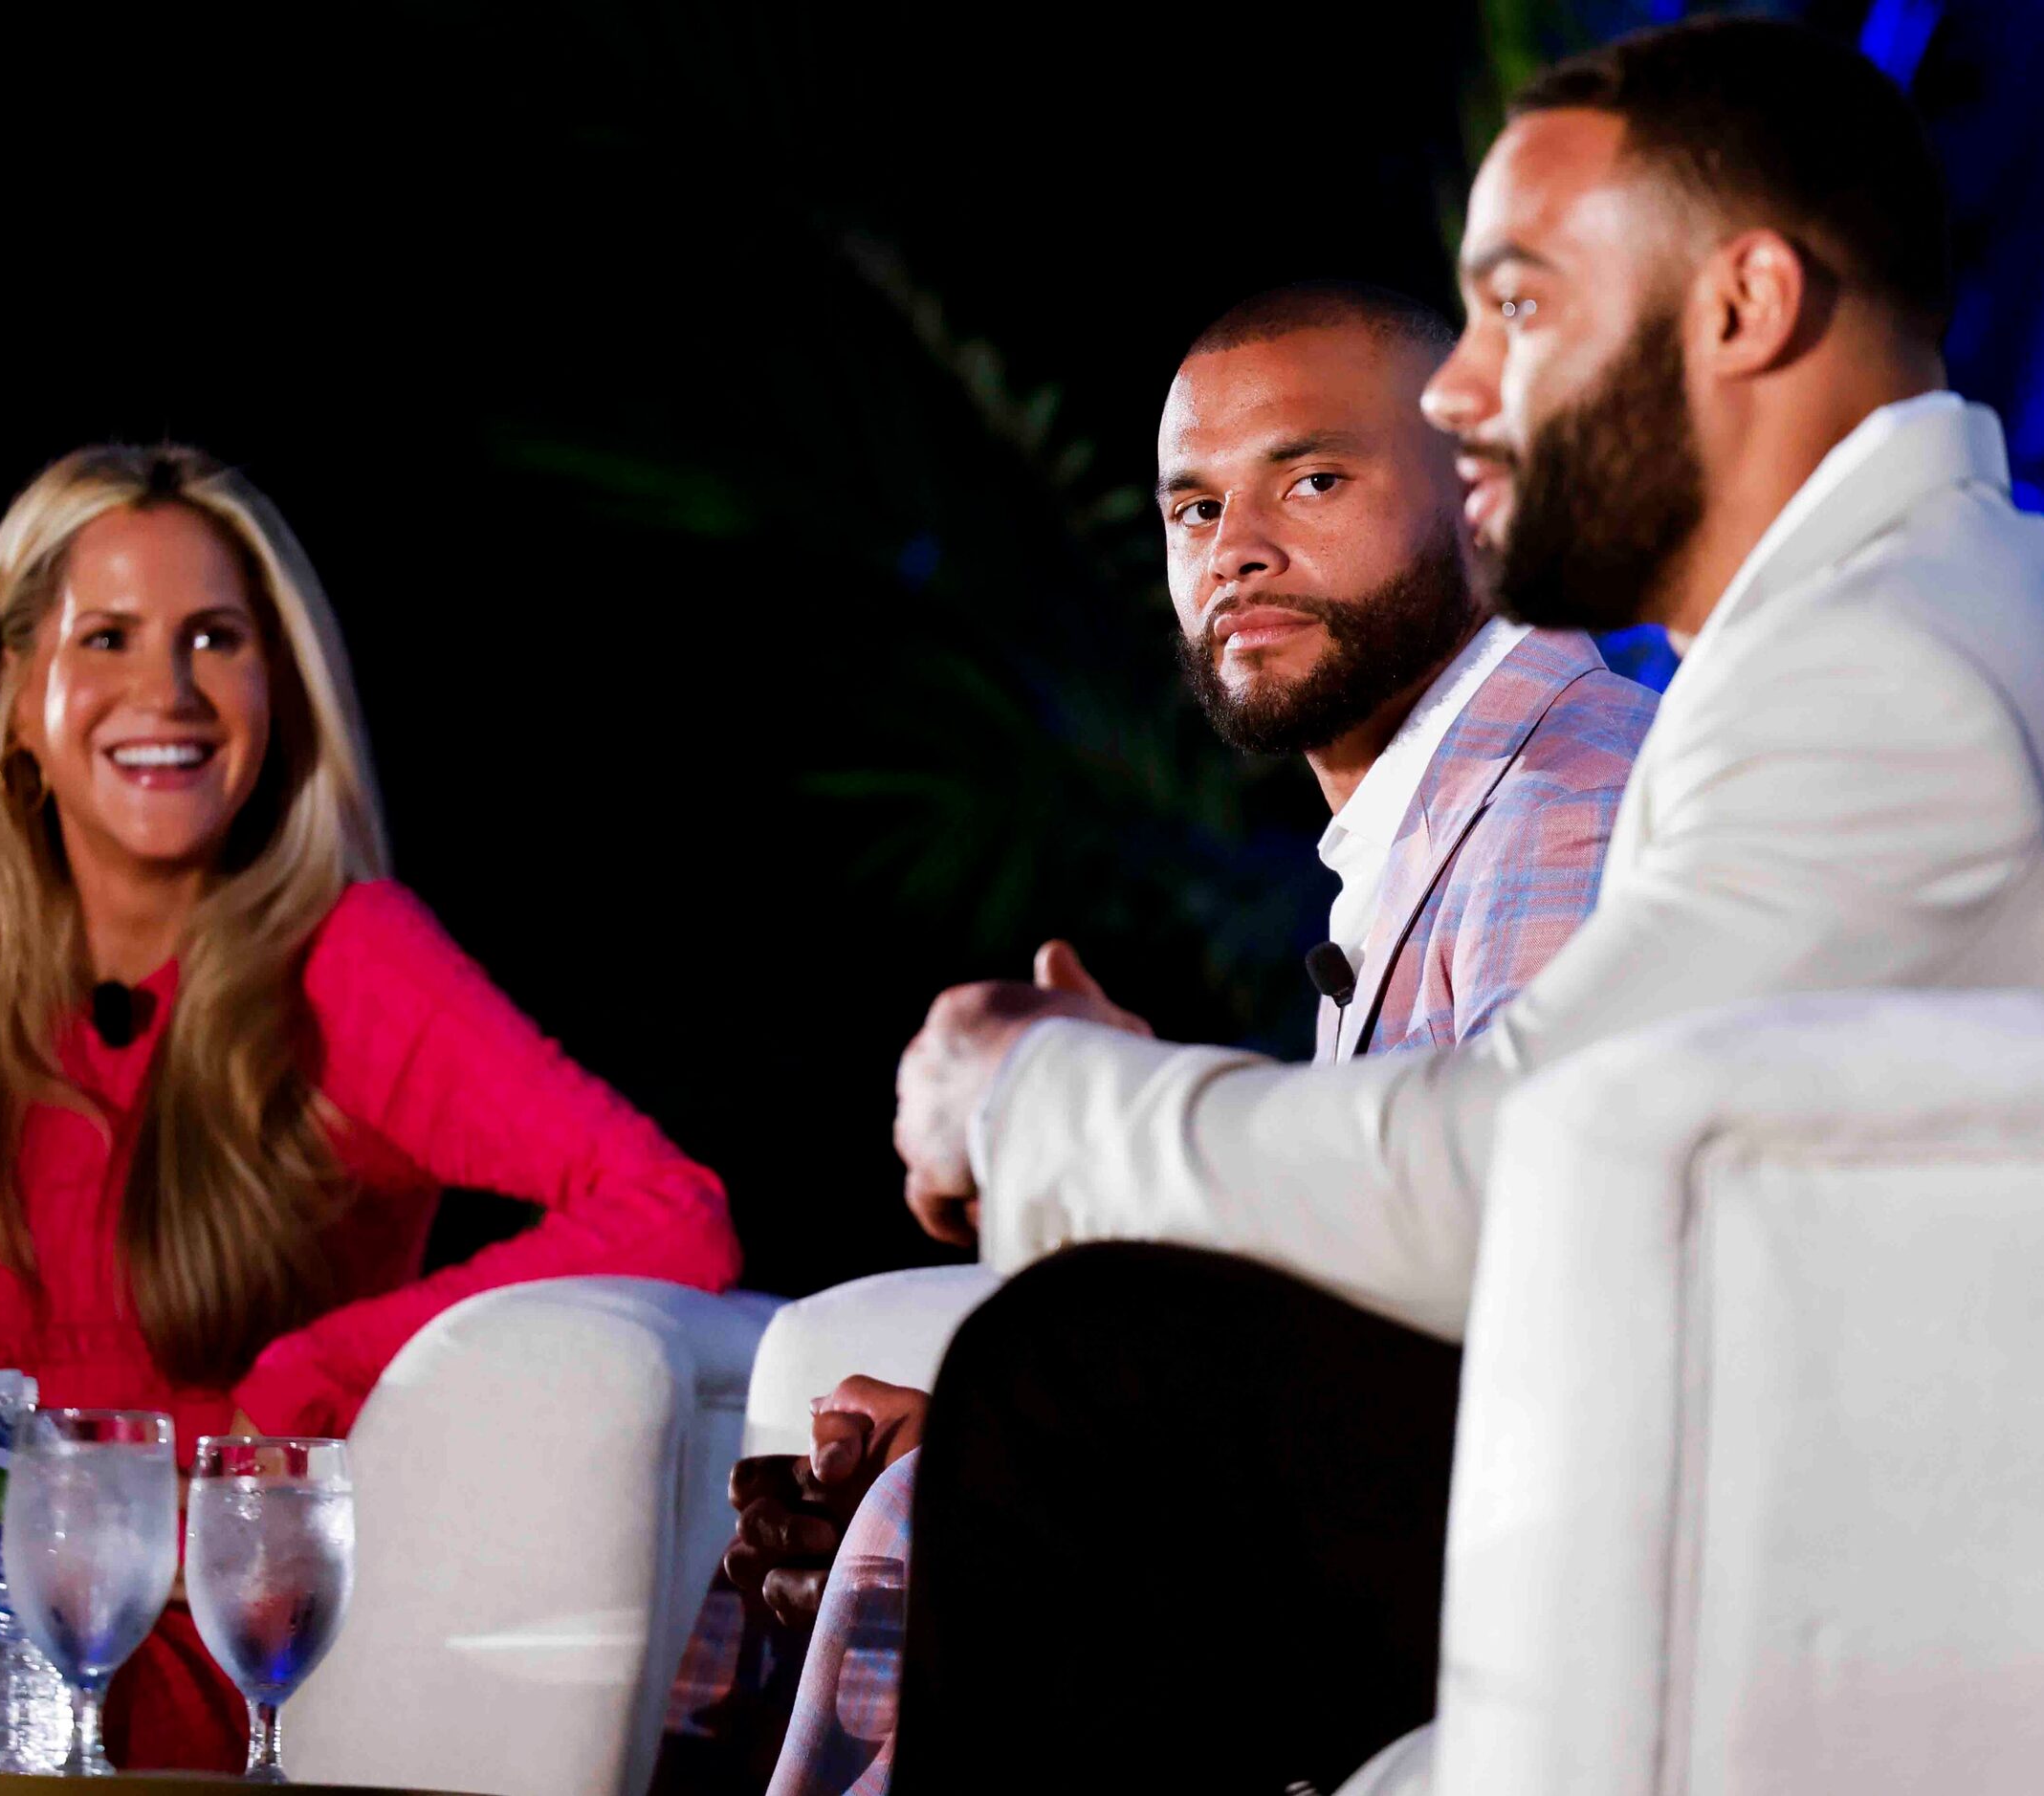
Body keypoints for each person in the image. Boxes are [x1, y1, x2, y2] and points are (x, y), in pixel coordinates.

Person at [882, 18, 2044, 1791]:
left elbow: (1528, 1176)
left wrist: (1023, 1091)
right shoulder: (1884, 620)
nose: (1465, 390)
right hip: (1903, 1487)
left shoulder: (1895, 666)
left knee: (1099, 1382)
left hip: (1996, 1564)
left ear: (1744, 307)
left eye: (1524, 309)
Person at [675, 284, 1657, 1795]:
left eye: (1312, 480)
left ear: (1484, 499)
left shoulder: (1564, 797)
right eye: (1193, 507)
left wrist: (1093, 1123)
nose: (1236, 550)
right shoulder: (1439, 820)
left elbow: (1530, 1296)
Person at [0, 444, 741, 1771]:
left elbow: (672, 1211)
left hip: (206, 1654)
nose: (170, 691)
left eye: (215, 637)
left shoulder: (349, 962)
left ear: (276, 690)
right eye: (111, 637)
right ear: (14, 700)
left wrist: (316, 1372)